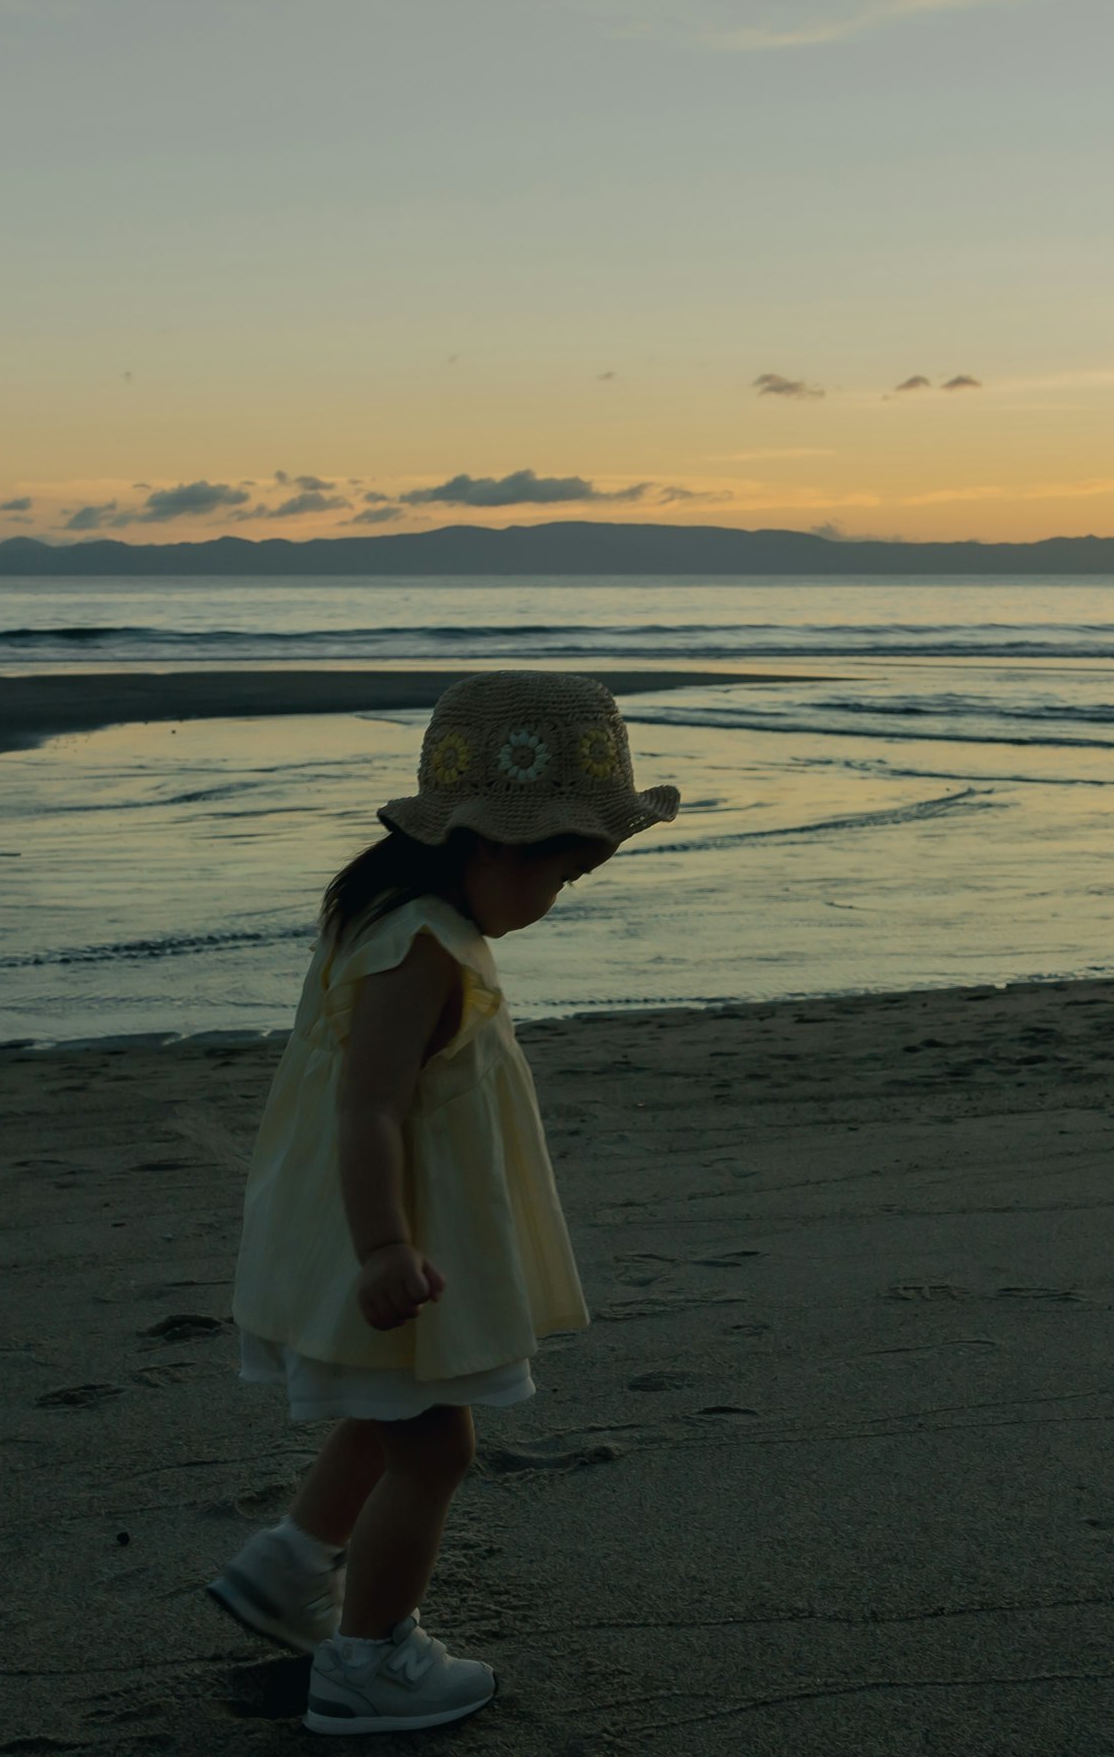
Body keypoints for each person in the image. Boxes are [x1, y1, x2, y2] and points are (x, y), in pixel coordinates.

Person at [206, 672, 680, 1736]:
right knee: (437, 1447)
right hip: (384, 1230)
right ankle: (369, 1661)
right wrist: (383, 1247)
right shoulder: (418, 945)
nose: (562, 898)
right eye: (569, 873)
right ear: (505, 847)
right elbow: (367, 1108)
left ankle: (292, 1569)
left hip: (394, 1227)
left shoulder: (412, 918)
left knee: (390, 1415)